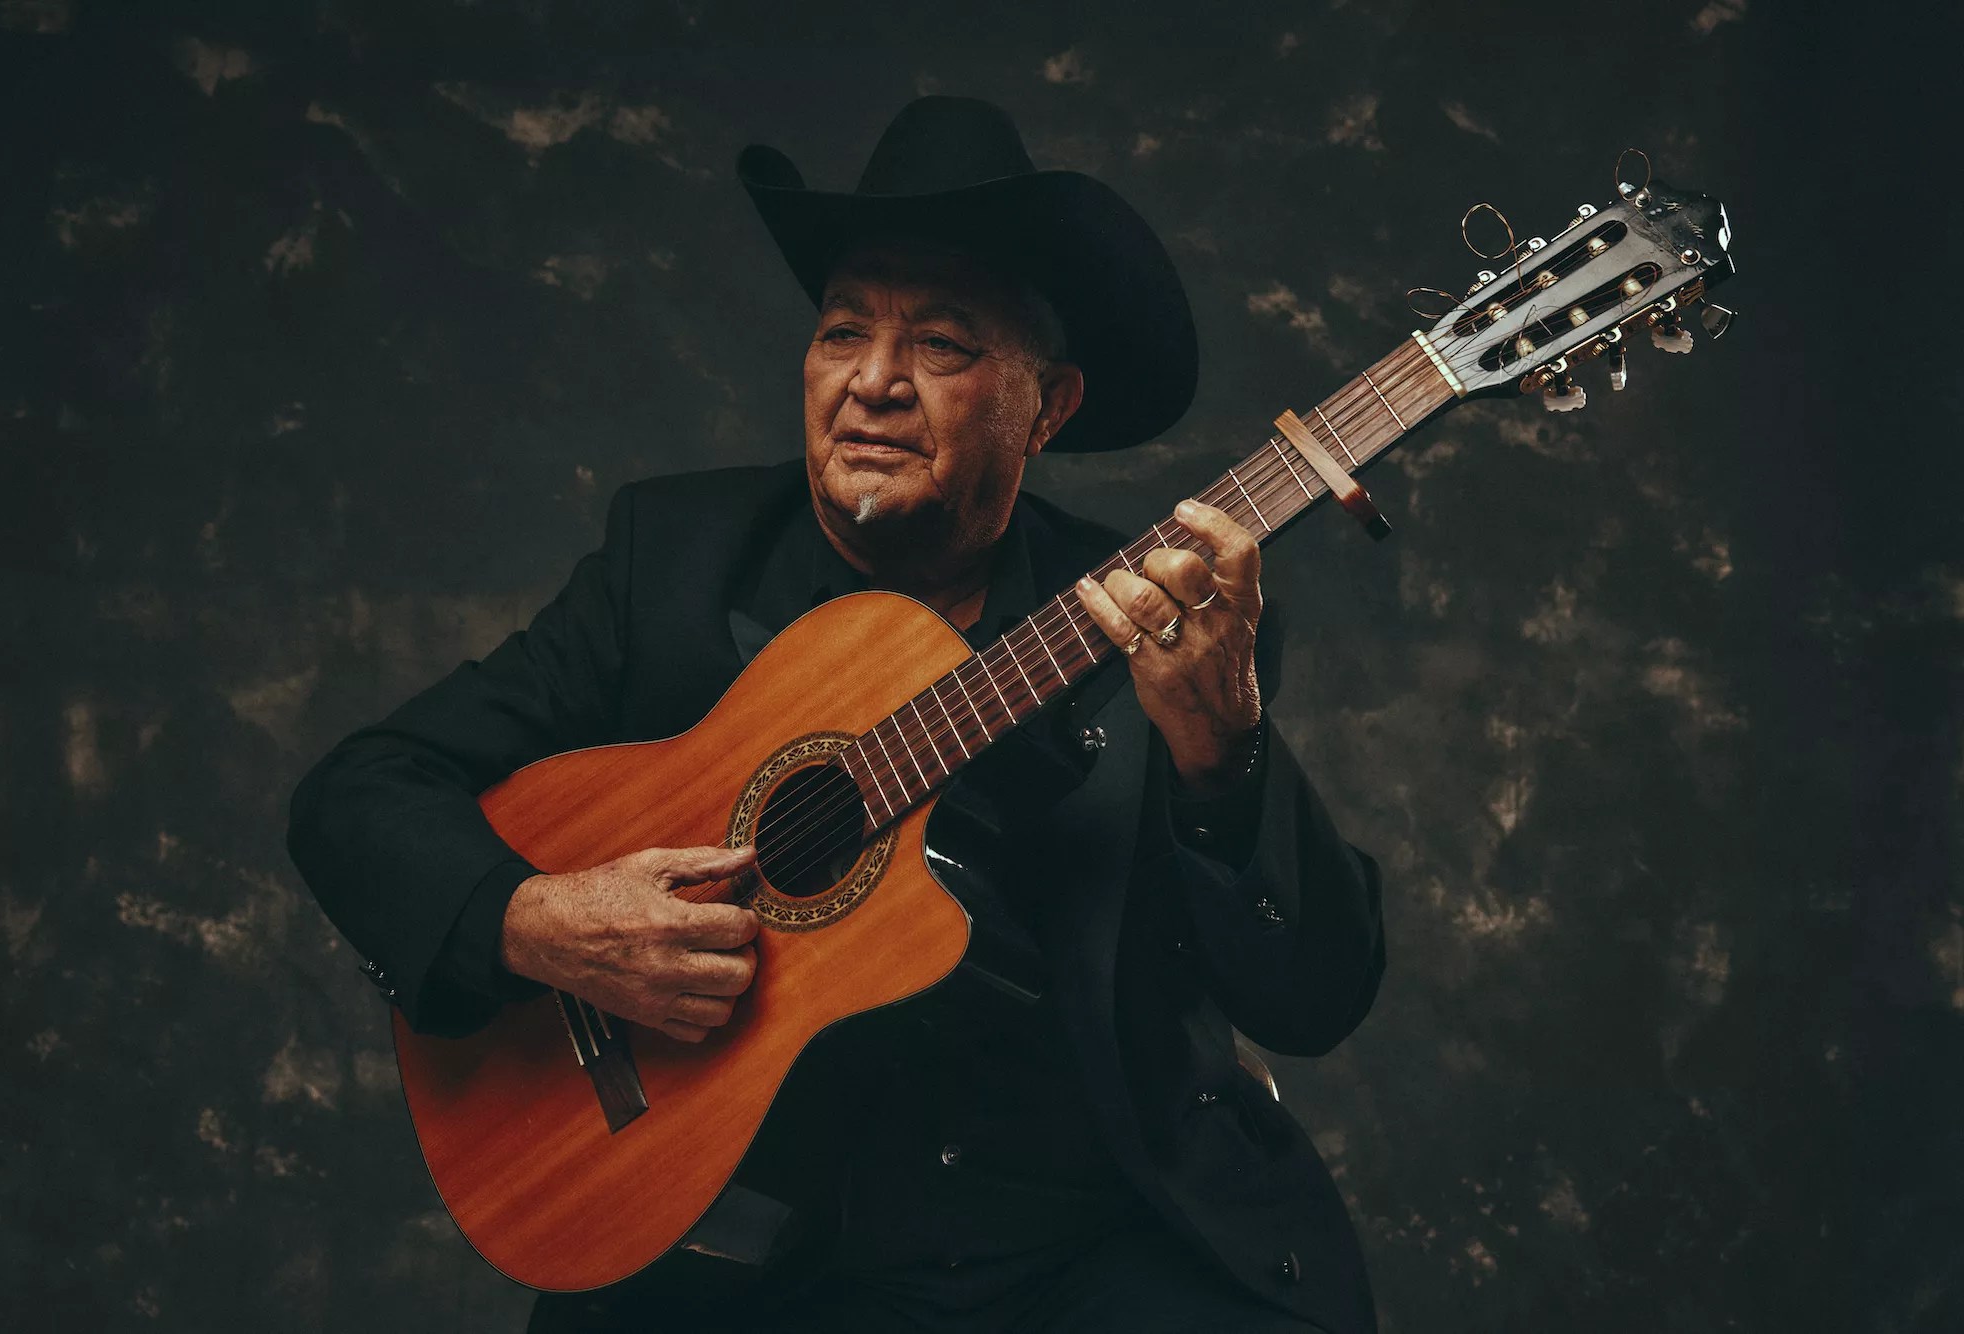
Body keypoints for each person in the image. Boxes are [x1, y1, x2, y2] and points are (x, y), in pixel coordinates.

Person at [288, 96, 1385, 1334]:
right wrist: (534, 919)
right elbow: (357, 796)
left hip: (1088, 1250)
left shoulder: (1165, 622)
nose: (871, 382)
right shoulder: (674, 564)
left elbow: (1314, 998)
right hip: (760, 1256)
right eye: (840, 331)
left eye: (942, 346)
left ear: (1048, 405)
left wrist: (1220, 751)